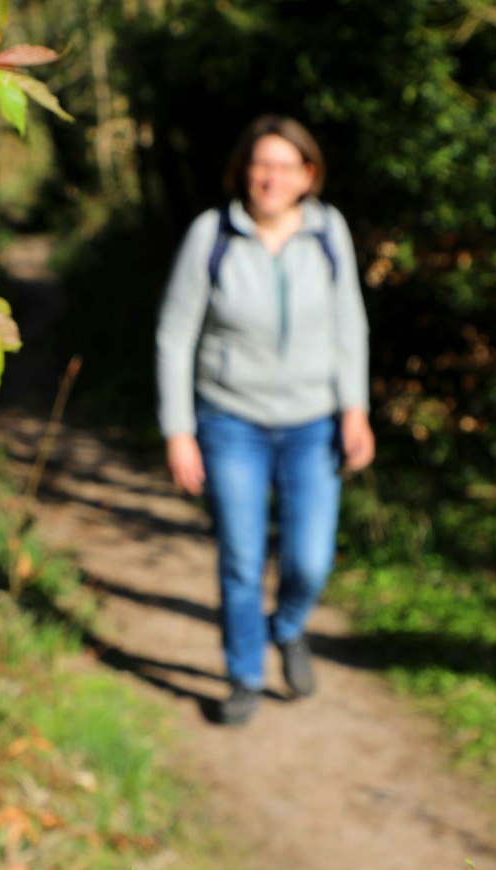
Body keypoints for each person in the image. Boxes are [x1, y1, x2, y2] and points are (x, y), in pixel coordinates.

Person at [155, 114, 374, 726]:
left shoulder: (329, 232)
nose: (270, 178)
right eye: (261, 165)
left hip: (314, 424)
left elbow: (349, 325)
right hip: (231, 423)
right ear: (243, 172)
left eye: (285, 166)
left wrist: (356, 410)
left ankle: (289, 627)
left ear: (308, 175)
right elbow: (176, 335)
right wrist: (179, 431)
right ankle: (244, 675)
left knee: (310, 561)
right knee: (241, 559)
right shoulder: (212, 235)